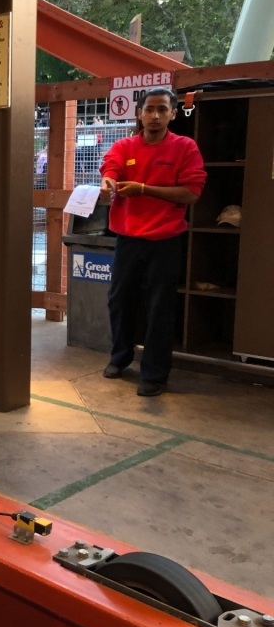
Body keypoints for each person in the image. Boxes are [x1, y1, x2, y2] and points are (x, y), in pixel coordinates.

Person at [99, 87, 206, 396]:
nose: (155, 115)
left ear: (173, 113)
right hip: (127, 239)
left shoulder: (185, 148)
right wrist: (107, 184)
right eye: (149, 109)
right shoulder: (125, 146)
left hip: (165, 240)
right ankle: (120, 358)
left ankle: (155, 374)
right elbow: (111, 168)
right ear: (139, 113)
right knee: (119, 300)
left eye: (162, 109)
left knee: (159, 307)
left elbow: (192, 193)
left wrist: (145, 189)